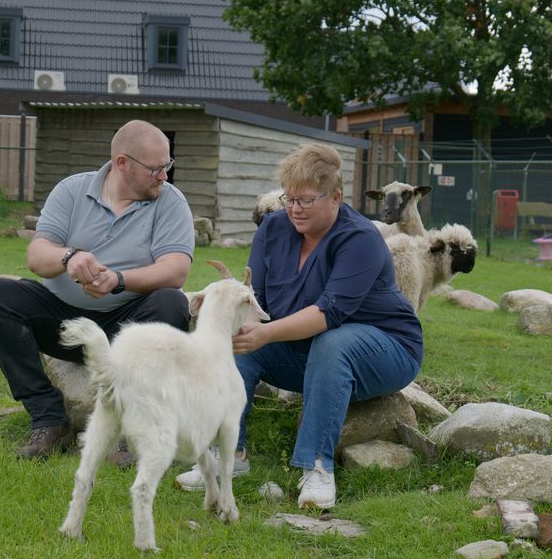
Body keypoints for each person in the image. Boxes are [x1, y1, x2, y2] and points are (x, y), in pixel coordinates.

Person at [174, 143, 423, 509]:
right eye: (289, 199)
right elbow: (256, 298)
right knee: (237, 341)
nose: (294, 209)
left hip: (386, 350)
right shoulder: (274, 228)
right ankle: (227, 455)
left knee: (332, 342)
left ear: (335, 197)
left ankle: (317, 466)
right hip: (308, 351)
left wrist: (265, 333)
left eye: (306, 200)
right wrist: (242, 327)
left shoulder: (360, 239)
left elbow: (327, 315)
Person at [0, 120, 195, 460]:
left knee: (171, 303)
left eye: (168, 165)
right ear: (123, 163)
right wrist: (70, 257)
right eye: (156, 169)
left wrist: (118, 280)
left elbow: (176, 270)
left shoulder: (171, 201)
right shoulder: (72, 190)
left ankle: (133, 427)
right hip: (64, 323)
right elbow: (37, 256)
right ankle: (49, 419)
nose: (164, 176)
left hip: (128, 331)